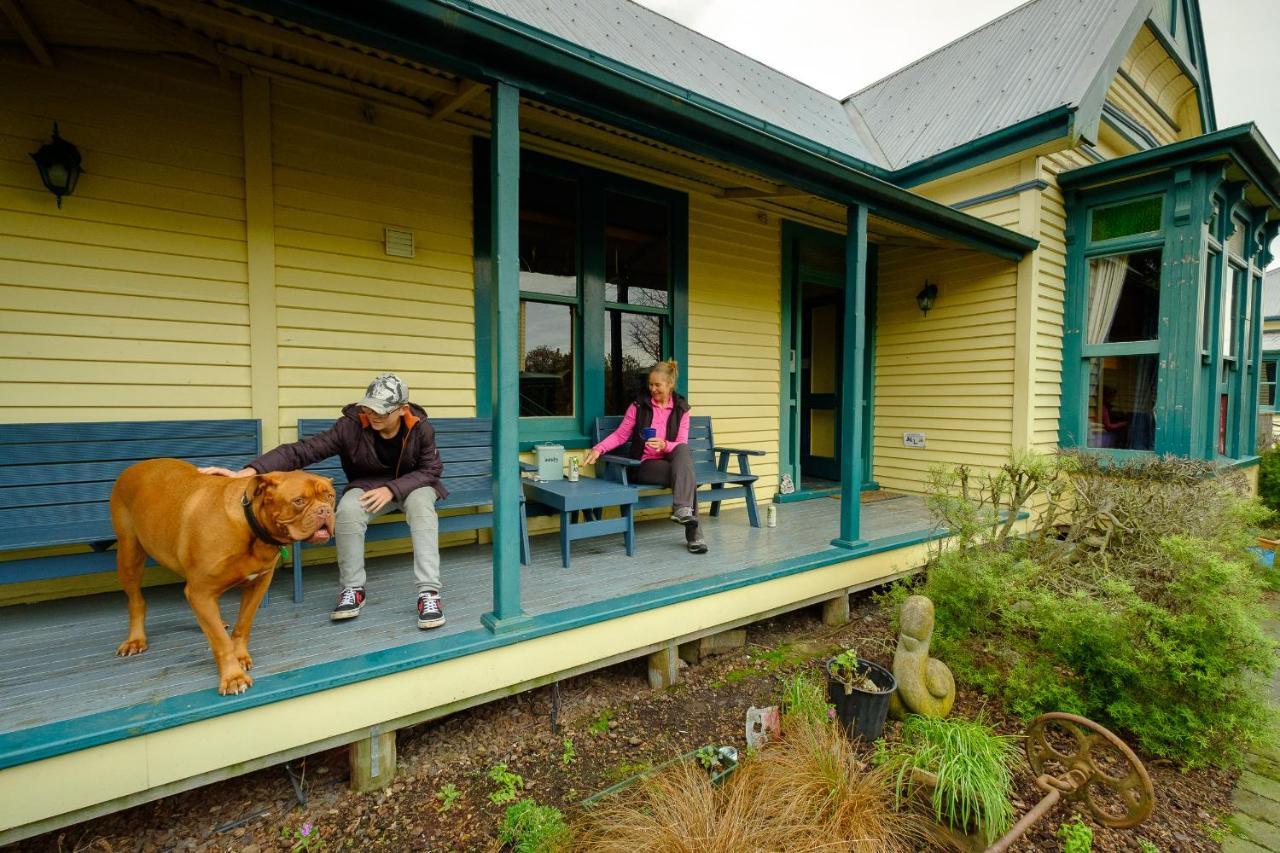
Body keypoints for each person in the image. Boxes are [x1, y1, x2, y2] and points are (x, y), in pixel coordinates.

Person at [199, 373, 448, 629]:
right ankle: (353, 589)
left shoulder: (420, 427)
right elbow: (302, 451)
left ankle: (429, 593)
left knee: (421, 506)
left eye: (381, 412)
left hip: (415, 484)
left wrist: (391, 489)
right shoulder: (350, 426)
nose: (373, 415)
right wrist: (249, 472)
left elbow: (431, 469)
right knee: (348, 509)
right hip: (369, 486)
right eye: (369, 408)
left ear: (402, 410)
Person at [584, 360, 706, 554]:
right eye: (650, 384)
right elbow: (621, 434)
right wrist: (598, 449)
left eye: (658, 385)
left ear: (670, 384)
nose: (653, 389)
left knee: (683, 454)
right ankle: (694, 535)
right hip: (645, 464)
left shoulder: (682, 408)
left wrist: (665, 444)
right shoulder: (639, 406)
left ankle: (682, 510)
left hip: (671, 460)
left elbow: (681, 442)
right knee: (686, 476)